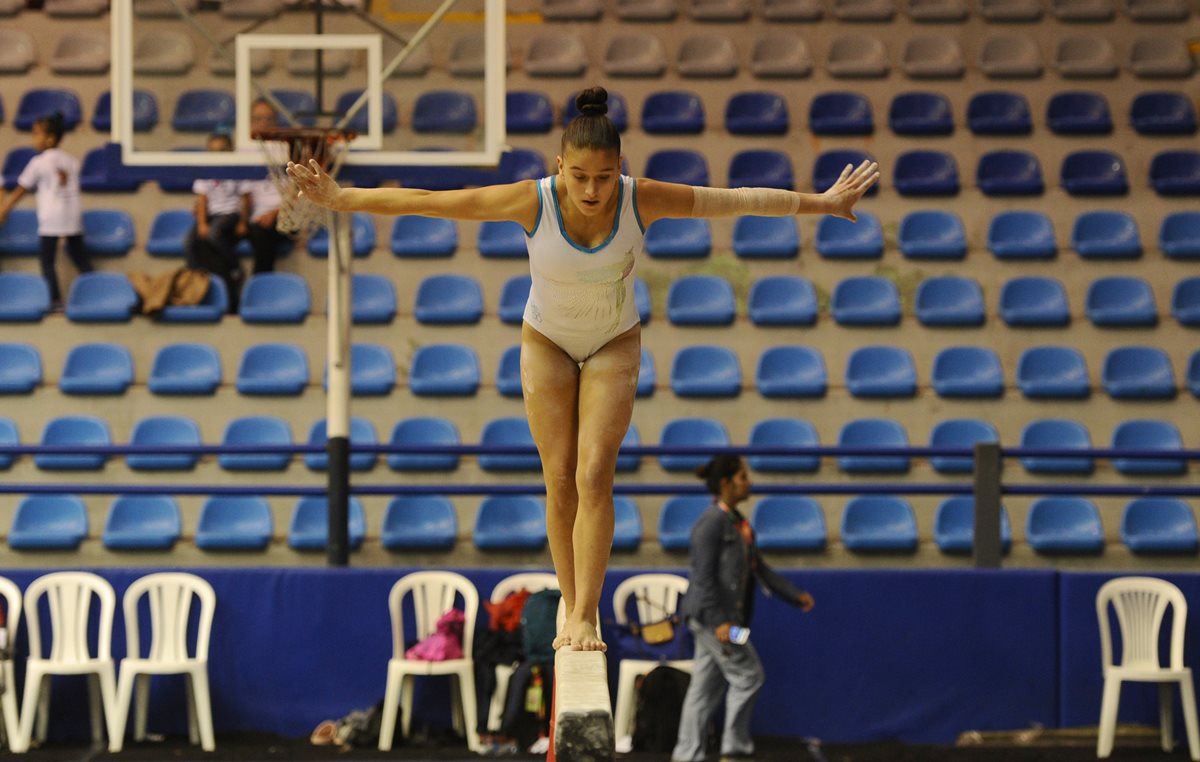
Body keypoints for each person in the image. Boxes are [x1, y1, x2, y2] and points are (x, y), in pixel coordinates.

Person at [287, 86, 877, 652]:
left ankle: (586, 610)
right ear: (559, 164)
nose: (592, 191)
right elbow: (437, 201)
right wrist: (340, 199)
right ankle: (571, 604)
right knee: (559, 476)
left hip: (613, 341)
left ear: (620, 165)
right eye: (579, 176)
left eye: (603, 177)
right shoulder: (532, 199)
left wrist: (821, 203)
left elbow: (735, 198)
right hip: (545, 340)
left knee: (595, 474)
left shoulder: (639, 196)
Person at [672, 455, 816, 762]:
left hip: (719, 619)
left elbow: (759, 569)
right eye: (742, 477)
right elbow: (702, 578)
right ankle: (734, 750)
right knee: (749, 675)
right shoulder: (710, 525)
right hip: (715, 620)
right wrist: (720, 620)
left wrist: (794, 595)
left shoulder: (737, 523)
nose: (749, 482)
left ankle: (687, 755)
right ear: (725, 483)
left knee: (704, 688)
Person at [0, 112, 92, 309]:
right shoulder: (71, 161)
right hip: (72, 215)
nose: (33, 138)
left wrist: (5, 209)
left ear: (50, 139)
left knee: (47, 261)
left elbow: (21, 189)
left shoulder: (38, 163)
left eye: (36, 134)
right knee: (80, 257)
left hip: (51, 218)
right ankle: (95, 288)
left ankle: (55, 300)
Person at [187, 130, 249, 311]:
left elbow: (245, 198)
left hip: (230, 213)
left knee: (214, 234)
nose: (217, 155)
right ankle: (194, 276)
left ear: (230, 151)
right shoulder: (206, 171)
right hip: (213, 214)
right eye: (213, 151)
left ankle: (235, 266)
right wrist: (201, 223)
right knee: (189, 241)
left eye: (222, 150)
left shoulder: (237, 170)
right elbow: (202, 199)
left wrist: (243, 222)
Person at [245, 99, 291, 275]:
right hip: (251, 216)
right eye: (258, 119)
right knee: (202, 236)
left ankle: (260, 286)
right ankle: (229, 280)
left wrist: (275, 212)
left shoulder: (286, 150)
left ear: (276, 122)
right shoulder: (243, 152)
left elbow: (295, 193)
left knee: (261, 232)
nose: (263, 124)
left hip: (281, 215)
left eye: (268, 119)